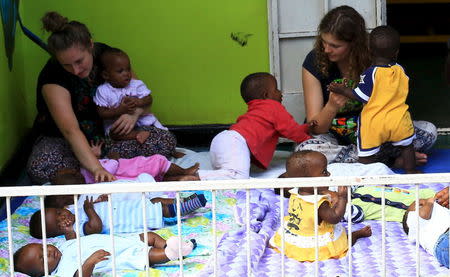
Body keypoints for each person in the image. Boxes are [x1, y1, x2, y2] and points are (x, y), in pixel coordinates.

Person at [26, 11, 177, 185]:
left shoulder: (107, 56)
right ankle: (110, 168)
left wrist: (133, 114)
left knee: (164, 141)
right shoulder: (52, 75)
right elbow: (70, 130)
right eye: (66, 65)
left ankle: (104, 169)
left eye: (79, 61)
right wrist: (96, 168)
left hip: (108, 136)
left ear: (90, 45)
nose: (75, 70)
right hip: (66, 141)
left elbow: (141, 96)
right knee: (40, 167)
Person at [296, 5, 437, 166]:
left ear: (354, 44)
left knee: (429, 131)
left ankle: (363, 158)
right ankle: (384, 160)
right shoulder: (314, 61)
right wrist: (331, 106)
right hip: (330, 135)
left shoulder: (377, 59)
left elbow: (392, 109)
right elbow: (315, 128)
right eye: (323, 42)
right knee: (305, 150)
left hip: (372, 132)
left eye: (335, 46)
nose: (326, 50)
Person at [328, 26, 418, 173]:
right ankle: (411, 171)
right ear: (396, 52)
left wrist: (341, 89)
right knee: (407, 146)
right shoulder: (400, 70)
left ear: (369, 51)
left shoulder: (370, 73)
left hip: (374, 122)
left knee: (366, 155)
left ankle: (368, 175)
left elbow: (360, 96)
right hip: (398, 119)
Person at [29, 170, 207, 240]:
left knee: (154, 202)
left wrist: (99, 202)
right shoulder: (76, 231)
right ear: (56, 231)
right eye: (59, 220)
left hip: (126, 208)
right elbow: (96, 226)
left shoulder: (77, 209)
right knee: (161, 211)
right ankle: (182, 209)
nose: (64, 215)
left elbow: (96, 209)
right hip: (130, 219)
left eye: (60, 211)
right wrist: (91, 211)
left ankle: (183, 202)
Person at [198, 72, 313, 180]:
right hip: (235, 142)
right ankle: (195, 177)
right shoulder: (273, 106)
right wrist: (308, 140)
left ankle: (199, 175)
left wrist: (306, 127)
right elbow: (291, 130)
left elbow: (287, 130)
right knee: (237, 178)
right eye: (276, 89)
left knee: (227, 173)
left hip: (223, 141)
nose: (280, 92)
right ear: (266, 95)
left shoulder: (258, 110)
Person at [269, 150, 372, 261]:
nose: (329, 174)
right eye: (324, 171)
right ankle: (355, 235)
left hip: (297, 233)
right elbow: (334, 218)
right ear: (306, 181)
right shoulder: (318, 202)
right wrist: (343, 198)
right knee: (341, 245)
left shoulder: (295, 193)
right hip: (315, 240)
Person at [94, 47, 184, 158]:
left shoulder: (135, 84)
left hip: (141, 123)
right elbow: (101, 113)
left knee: (163, 133)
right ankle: (138, 136)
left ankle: (171, 150)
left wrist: (138, 101)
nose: (126, 74)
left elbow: (149, 99)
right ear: (106, 75)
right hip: (119, 129)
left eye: (128, 69)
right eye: (120, 71)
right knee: (114, 133)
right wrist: (120, 110)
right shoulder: (103, 91)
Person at [14, 232, 196, 277]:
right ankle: (170, 253)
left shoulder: (63, 245)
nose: (48, 251)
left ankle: (176, 247)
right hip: (115, 255)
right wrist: (90, 262)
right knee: (146, 255)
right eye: (42, 258)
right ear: (43, 272)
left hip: (119, 240)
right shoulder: (61, 270)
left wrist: (69, 230)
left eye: (42, 248)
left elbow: (74, 239)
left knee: (148, 236)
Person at [402, 197, 449, 268]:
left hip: (443, 253)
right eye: (420, 204)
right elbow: (422, 214)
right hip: (444, 240)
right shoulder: (412, 218)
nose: (425, 202)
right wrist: (429, 202)